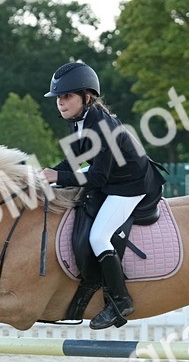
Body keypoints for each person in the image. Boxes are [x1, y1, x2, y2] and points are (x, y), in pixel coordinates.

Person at [41, 61, 164, 330]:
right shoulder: (79, 121)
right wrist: (45, 175)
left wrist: (58, 177)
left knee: (98, 236)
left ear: (86, 97)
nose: (60, 103)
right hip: (111, 178)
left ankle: (121, 301)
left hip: (131, 185)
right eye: (58, 98)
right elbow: (71, 162)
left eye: (67, 96)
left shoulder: (102, 126)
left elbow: (97, 178)